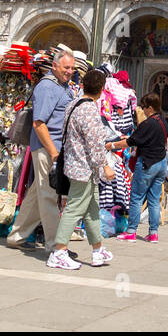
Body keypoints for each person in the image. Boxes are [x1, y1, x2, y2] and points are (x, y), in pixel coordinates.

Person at [7, 50, 78, 252]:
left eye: (72, 68)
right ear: (54, 66)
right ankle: (56, 245)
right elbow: (39, 123)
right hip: (48, 147)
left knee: (37, 195)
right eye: (66, 67)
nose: (70, 71)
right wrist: (53, 151)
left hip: (55, 147)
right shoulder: (47, 87)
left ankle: (16, 236)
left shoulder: (63, 86)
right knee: (48, 195)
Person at [45, 69, 115, 269]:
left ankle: (97, 250)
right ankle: (58, 252)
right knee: (74, 209)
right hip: (83, 168)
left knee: (92, 209)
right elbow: (95, 144)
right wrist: (105, 166)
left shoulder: (73, 104)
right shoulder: (90, 110)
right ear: (102, 90)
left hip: (77, 165)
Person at [112, 89, 168, 242]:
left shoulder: (148, 123)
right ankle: (153, 233)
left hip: (147, 163)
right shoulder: (163, 121)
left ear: (150, 107)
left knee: (137, 197)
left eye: (144, 106)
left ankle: (131, 231)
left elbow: (130, 142)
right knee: (153, 200)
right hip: (161, 163)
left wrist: (111, 145)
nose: (142, 110)